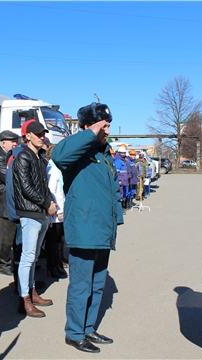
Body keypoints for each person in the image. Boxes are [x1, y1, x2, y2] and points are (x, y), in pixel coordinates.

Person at [52, 102, 123, 354]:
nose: (107, 130)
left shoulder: (104, 154)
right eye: (103, 125)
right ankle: (74, 332)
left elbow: (113, 190)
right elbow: (58, 156)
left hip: (102, 229)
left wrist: (117, 219)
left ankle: (88, 327)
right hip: (84, 229)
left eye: (108, 125)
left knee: (97, 284)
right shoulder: (78, 151)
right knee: (81, 285)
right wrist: (90, 133)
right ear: (87, 127)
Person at [12, 121, 56, 317]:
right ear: (27, 136)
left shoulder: (39, 158)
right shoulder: (23, 157)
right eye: (37, 134)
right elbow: (26, 188)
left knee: (34, 257)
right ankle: (24, 300)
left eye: (42, 134)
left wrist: (51, 203)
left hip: (40, 213)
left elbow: (43, 186)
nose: (42, 137)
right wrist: (47, 203)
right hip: (30, 213)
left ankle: (31, 291)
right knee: (27, 258)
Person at [0, 129, 20, 276]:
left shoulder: (10, 156)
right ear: (3, 143)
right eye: (12, 142)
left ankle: (13, 263)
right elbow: (9, 179)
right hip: (3, 204)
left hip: (11, 203)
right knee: (5, 237)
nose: (15, 144)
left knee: (13, 236)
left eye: (16, 141)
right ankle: (3, 264)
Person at [44, 143, 67, 279]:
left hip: (60, 207)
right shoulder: (51, 168)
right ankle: (51, 265)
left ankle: (57, 263)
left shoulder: (57, 168)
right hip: (56, 209)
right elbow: (52, 191)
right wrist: (58, 208)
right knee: (53, 239)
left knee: (58, 239)